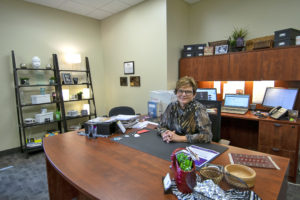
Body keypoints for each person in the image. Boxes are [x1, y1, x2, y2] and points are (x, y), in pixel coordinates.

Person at [157, 76, 212, 143]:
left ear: (194, 94)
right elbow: (161, 126)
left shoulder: (199, 109)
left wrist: (179, 138)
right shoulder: (171, 106)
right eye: (180, 91)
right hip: (171, 144)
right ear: (176, 92)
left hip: (191, 147)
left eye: (188, 92)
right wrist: (165, 134)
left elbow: (207, 135)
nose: (183, 94)